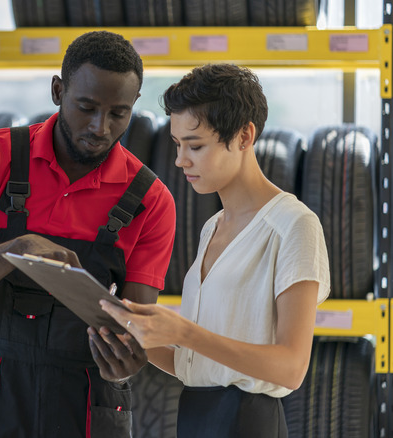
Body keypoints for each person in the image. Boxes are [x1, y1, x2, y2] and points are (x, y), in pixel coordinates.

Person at [0, 30, 176, 437]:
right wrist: (14, 250)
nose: (100, 127)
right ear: (58, 91)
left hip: (89, 401)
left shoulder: (150, 200)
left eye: (118, 113)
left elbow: (138, 327)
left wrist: (130, 357)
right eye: (86, 107)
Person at [100, 63, 330, 437]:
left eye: (196, 145)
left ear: (244, 136)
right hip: (195, 414)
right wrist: (131, 333)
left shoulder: (294, 225)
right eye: (177, 145)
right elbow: (199, 366)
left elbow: (291, 367)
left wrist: (185, 332)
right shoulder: (213, 227)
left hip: (248, 422)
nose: (180, 160)